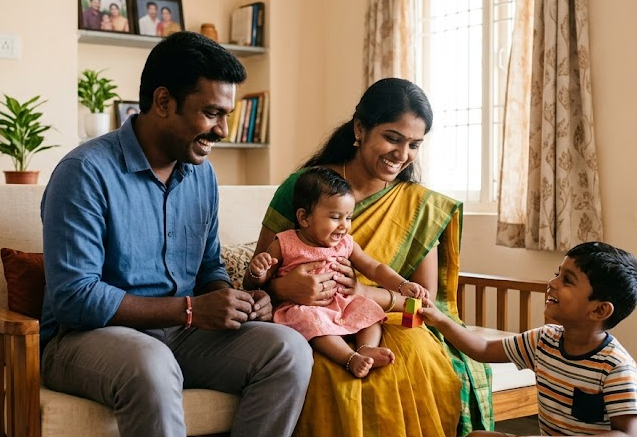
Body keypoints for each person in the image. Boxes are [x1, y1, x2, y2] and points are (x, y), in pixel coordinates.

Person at [40, 31, 313, 437]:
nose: (222, 130)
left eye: (227, 115)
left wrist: (233, 300)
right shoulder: (85, 173)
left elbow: (208, 268)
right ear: (164, 102)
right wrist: (190, 310)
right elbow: (75, 298)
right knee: (149, 360)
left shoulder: (202, 176)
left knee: (288, 350)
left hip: (181, 335)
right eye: (211, 113)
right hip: (85, 340)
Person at [252, 77, 493, 436]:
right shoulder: (306, 187)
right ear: (360, 129)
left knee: (409, 360)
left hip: (385, 321)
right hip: (309, 320)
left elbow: (423, 305)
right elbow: (257, 278)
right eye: (393, 138)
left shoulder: (418, 206)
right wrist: (287, 288)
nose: (402, 154)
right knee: (323, 373)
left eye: (414, 144)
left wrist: (365, 294)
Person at [420, 242, 637, 437]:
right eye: (558, 273)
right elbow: (485, 349)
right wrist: (441, 320)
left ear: (599, 310)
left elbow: (626, 433)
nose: (553, 283)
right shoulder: (544, 340)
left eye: (567, 280)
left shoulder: (616, 368)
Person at [244, 166, 430, 378]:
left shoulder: (345, 243)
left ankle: (365, 348)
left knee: (368, 309)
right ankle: (349, 358)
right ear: (304, 218)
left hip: (341, 302)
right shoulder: (285, 242)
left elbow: (374, 268)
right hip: (304, 307)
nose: (343, 226)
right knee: (312, 322)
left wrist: (402, 285)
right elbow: (261, 281)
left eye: (348, 218)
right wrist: (258, 270)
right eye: (335, 217)